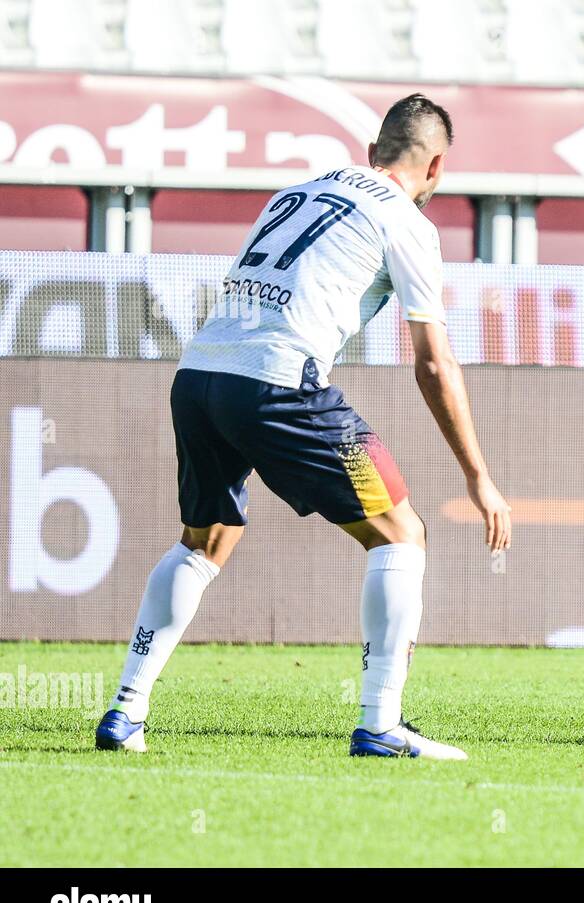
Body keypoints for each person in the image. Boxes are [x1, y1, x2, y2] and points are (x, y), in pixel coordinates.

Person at [95, 94, 511, 760]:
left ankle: (125, 710)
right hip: (280, 383)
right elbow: (434, 364)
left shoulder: (299, 188)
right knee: (402, 533)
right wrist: (480, 478)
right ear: (435, 165)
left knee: (205, 541)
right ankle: (380, 723)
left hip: (200, 374)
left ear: (375, 148)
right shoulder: (406, 220)